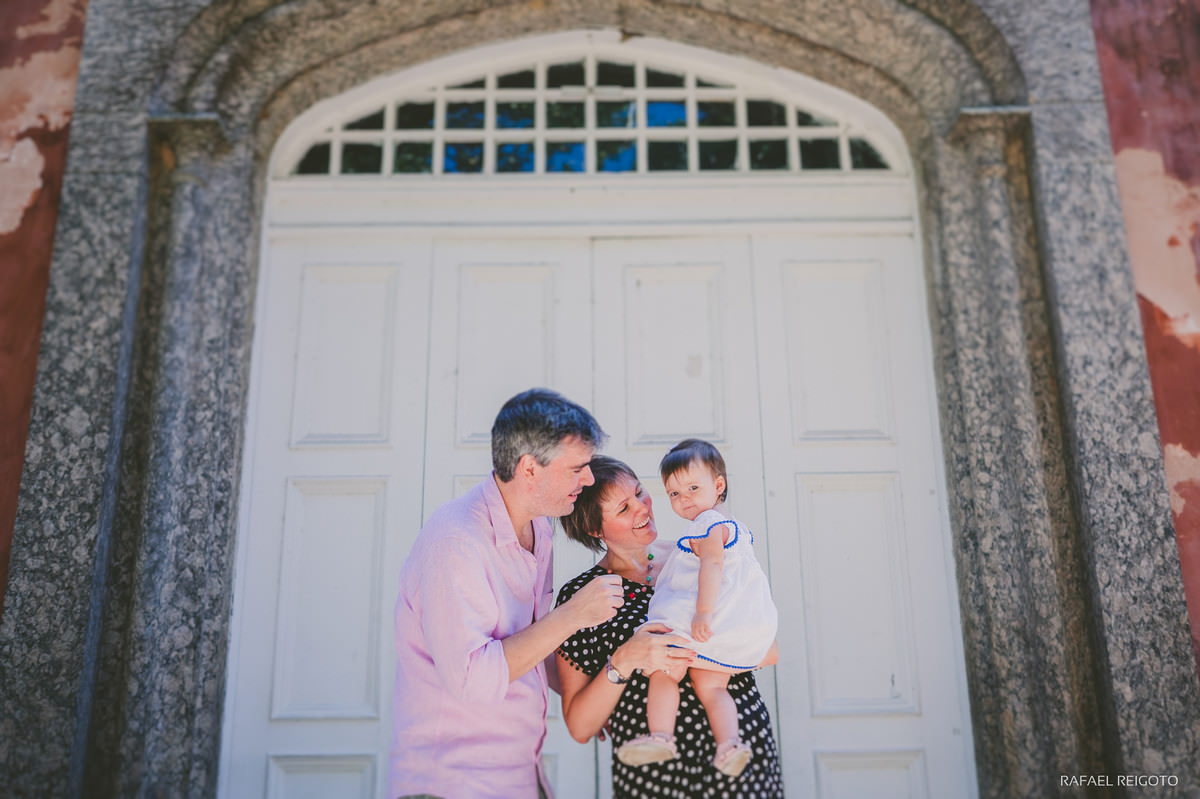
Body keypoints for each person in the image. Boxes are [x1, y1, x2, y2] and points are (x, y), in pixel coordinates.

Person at [390, 389, 627, 799]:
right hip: (453, 785)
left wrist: (594, 691)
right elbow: (475, 680)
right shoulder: (456, 542)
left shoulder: (540, 531)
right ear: (529, 469)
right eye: (577, 468)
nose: (588, 479)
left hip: (519, 778)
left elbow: (530, 649)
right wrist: (572, 615)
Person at [556, 456, 784, 798]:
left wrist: (684, 653)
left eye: (639, 492)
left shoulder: (700, 558)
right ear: (594, 529)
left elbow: (767, 648)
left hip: (739, 760)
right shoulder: (582, 595)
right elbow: (580, 725)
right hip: (654, 777)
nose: (643, 508)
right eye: (623, 508)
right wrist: (624, 660)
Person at [618, 439, 778, 778]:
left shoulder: (706, 522)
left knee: (664, 672)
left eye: (692, 487)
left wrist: (702, 612)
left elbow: (712, 566)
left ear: (718, 485)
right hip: (730, 627)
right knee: (713, 687)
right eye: (674, 494)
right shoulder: (737, 527)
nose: (684, 498)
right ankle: (729, 744)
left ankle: (661, 735)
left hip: (699, 621)